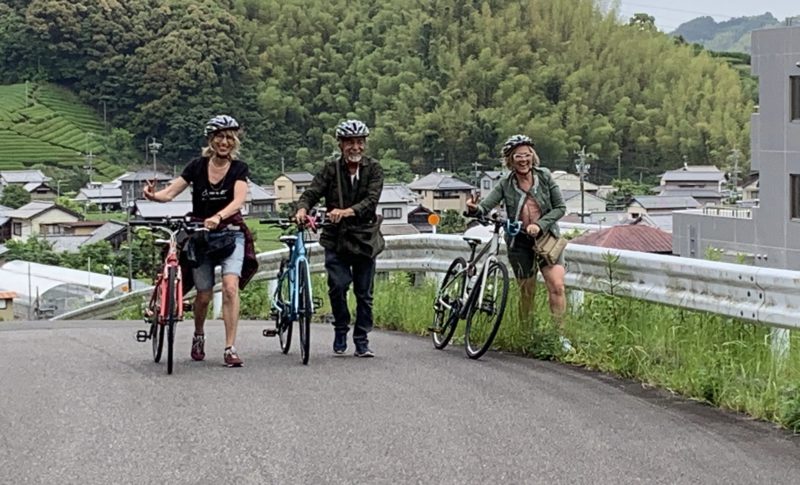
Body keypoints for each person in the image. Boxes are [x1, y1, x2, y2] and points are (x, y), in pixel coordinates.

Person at [143, 115, 258, 367]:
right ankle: (198, 334)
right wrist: (153, 196)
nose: (224, 142)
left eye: (229, 138)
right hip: (201, 235)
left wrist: (218, 216)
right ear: (211, 140)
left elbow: (238, 200)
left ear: (234, 142)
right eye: (220, 137)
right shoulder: (197, 166)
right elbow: (171, 192)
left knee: (230, 286)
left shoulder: (239, 168)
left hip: (230, 232)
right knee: (203, 295)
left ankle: (230, 347)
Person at [467, 134, 571, 351]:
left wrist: (540, 224)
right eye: (518, 156)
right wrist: (473, 209)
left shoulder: (545, 177)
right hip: (520, 242)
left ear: (533, 156)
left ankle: (560, 337)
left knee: (557, 286)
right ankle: (526, 334)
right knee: (527, 290)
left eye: (527, 155)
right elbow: (486, 206)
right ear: (510, 160)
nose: (524, 160)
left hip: (547, 238)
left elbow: (560, 207)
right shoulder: (505, 184)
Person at [295, 119, 384, 357]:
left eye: (359, 142)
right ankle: (341, 328)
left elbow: (371, 202)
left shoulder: (374, 169)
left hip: (365, 238)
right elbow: (312, 192)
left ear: (364, 144)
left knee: (364, 293)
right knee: (338, 286)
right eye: (350, 143)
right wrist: (302, 209)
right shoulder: (330, 169)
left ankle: (362, 338)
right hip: (336, 239)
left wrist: (346, 212)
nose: (355, 147)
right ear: (341, 144)